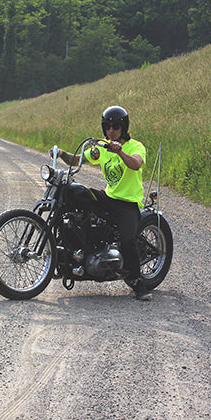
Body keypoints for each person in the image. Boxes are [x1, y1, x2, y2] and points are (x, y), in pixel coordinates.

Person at [51, 106, 152, 301]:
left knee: (128, 241)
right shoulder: (102, 148)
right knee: (74, 194)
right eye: (107, 126)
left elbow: (136, 164)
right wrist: (61, 153)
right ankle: (67, 256)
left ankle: (138, 282)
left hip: (127, 203)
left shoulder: (136, 147)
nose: (111, 131)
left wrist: (120, 152)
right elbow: (77, 160)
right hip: (108, 197)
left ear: (124, 127)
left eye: (115, 126)